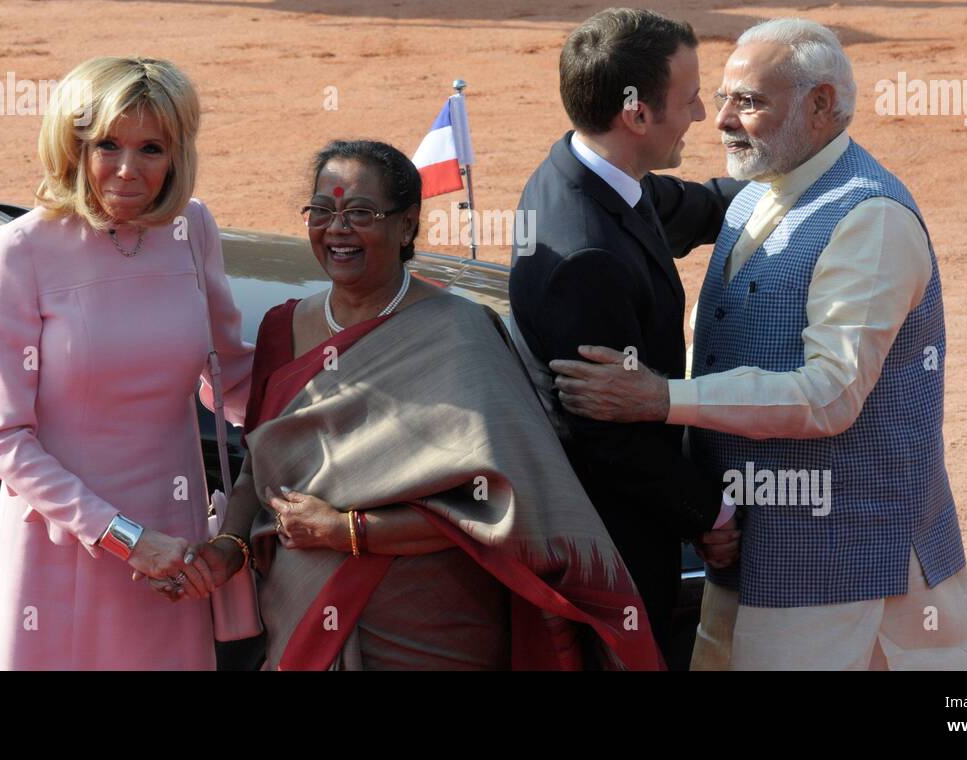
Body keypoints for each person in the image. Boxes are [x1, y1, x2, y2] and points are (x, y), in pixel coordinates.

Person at [552, 18, 967, 670]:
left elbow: (829, 395)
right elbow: (622, 193)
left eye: (748, 102)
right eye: (722, 97)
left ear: (821, 106)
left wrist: (663, 400)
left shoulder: (871, 222)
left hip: (846, 573)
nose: (718, 119)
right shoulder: (762, 188)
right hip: (755, 558)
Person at [178, 140, 661, 670]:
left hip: (429, 624)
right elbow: (259, 470)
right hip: (301, 607)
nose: (337, 228)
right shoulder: (280, 327)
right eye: (322, 210)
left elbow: (504, 510)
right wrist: (229, 547)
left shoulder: (460, 333)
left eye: (360, 213)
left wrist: (347, 532)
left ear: (407, 225)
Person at [0, 56, 254, 669]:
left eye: (151, 148)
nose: (128, 171)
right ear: (72, 144)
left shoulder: (192, 226)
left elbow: (230, 378)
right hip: (66, 542)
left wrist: (349, 396)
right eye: (107, 145)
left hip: (173, 552)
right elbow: (4, 440)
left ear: (177, 154)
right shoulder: (21, 249)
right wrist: (126, 538)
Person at [507, 8, 745, 668]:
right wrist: (712, 516)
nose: (702, 114)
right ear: (637, 115)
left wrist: (788, 177)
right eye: (691, 97)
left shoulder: (583, 172)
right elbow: (607, 435)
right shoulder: (587, 254)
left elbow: (687, 208)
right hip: (611, 544)